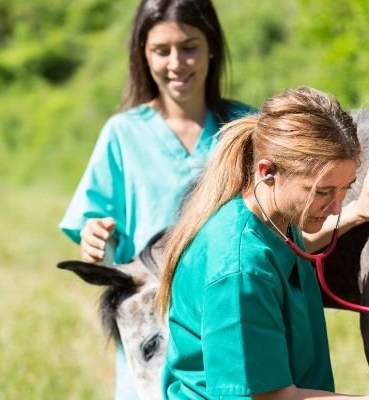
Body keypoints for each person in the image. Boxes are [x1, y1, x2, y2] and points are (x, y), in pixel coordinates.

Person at [156, 87, 369, 400]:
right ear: (267, 172)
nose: (335, 205)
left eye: (345, 188)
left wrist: (355, 213)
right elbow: (270, 398)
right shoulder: (238, 271)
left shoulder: (269, 220)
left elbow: (291, 246)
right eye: (322, 192)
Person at [59, 0, 252, 398]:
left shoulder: (244, 129)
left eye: (189, 46)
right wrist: (94, 235)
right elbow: (94, 224)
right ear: (142, 55)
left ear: (212, 46)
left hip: (229, 315)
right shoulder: (122, 135)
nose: (177, 62)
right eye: (162, 50)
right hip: (151, 326)